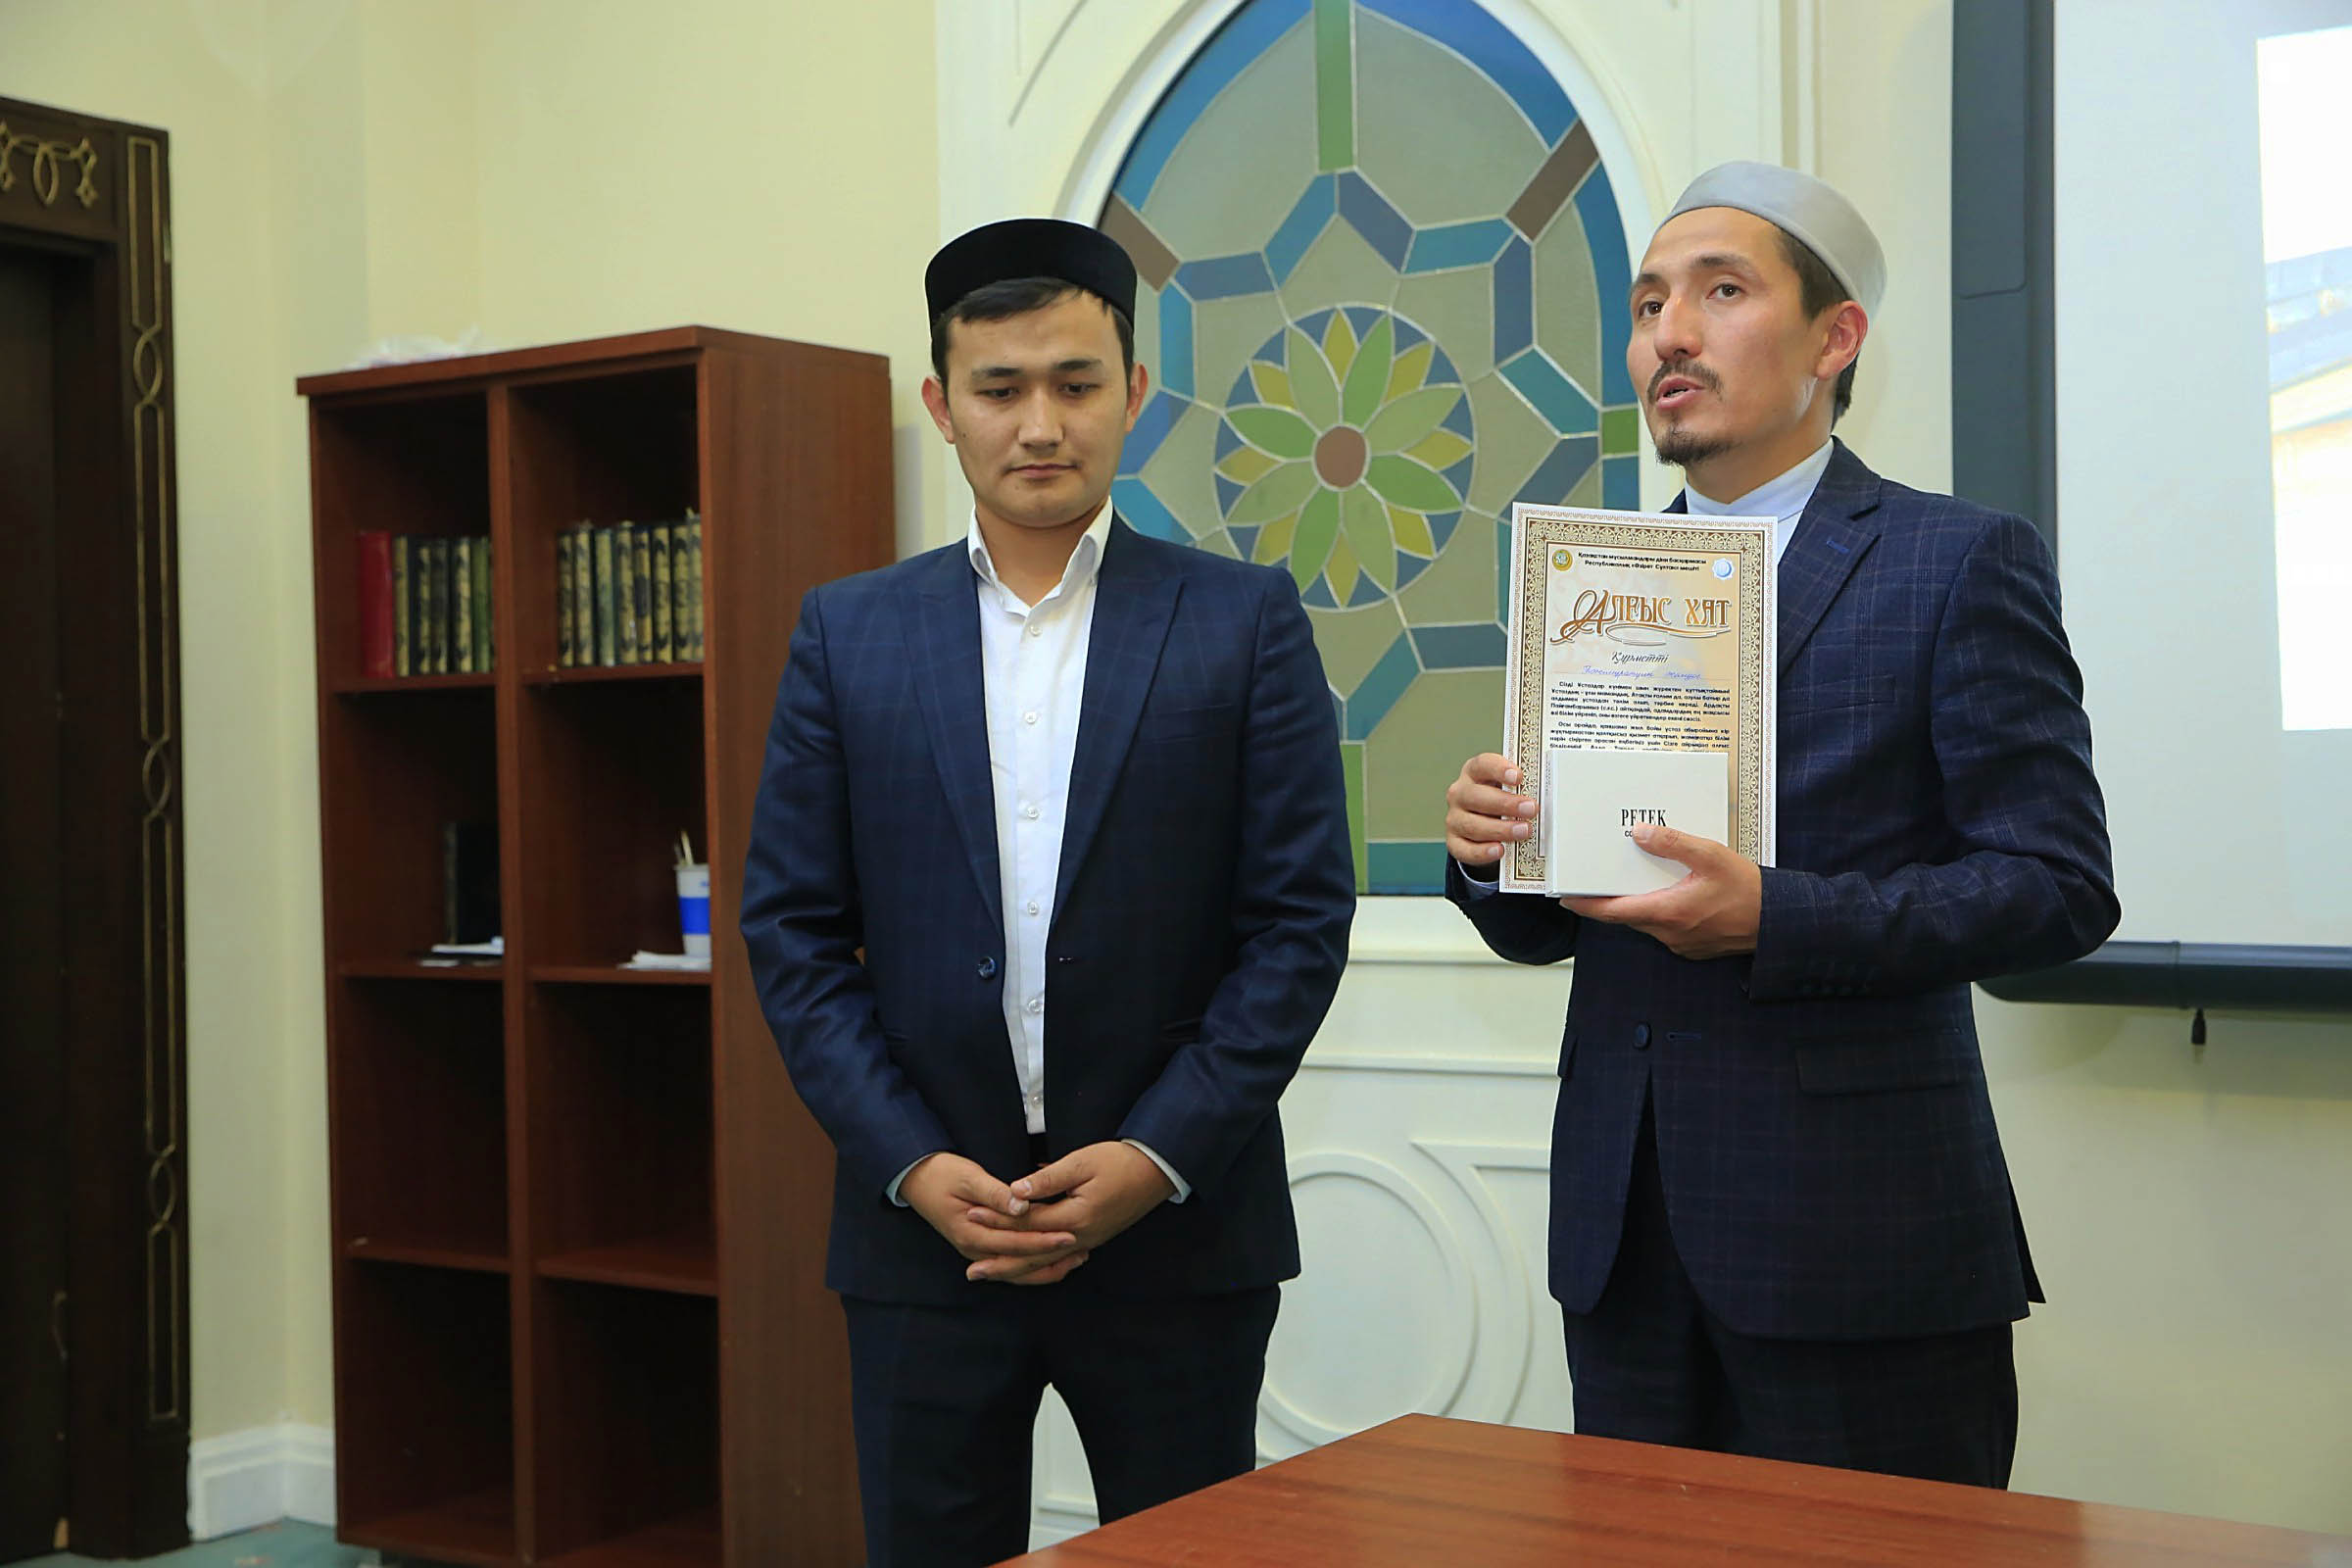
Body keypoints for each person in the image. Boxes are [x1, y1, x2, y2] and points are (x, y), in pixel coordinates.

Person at [1443, 162, 2118, 1487]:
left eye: (1721, 293)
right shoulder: (1593, 581)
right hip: (1628, 1240)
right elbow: (1551, 922)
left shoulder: (1954, 560)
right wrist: (1490, 850)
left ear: (1834, 338)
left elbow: (2056, 885)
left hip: (1862, 1241)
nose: (1669, 335)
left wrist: (1777, 915)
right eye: (1649, 306)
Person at [741, 217, 1354, 1566]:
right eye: (999, 388)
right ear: (940, 405)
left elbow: (1298, 925)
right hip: (924, 1241)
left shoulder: (1242, 619)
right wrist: (912, 1163)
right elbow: (792, 930)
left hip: (1178, 1231)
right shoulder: (849, 632)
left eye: (1076, 384)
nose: (1039, 425)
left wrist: (1153, 1158)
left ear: (1135, 392)